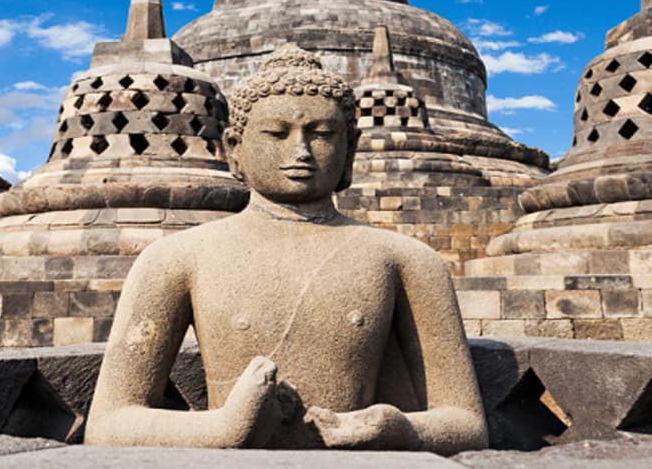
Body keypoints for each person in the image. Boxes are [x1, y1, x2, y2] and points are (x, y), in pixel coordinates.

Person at [85, 45, 487, 454]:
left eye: (323, 135)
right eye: (277, 134)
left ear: (350, 149)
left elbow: (466, 422)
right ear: (234, 148)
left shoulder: (405, 260)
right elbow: (108, 422)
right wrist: (222, 429)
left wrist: (396, 427)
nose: (301, 152)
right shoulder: (175, 258)